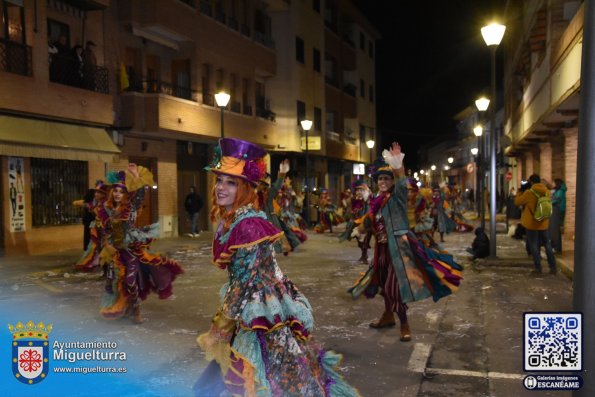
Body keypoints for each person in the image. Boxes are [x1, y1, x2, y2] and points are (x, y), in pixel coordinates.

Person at [195, 138, 358, 396]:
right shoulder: (232, 220)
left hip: (259, 313)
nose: (220, 188)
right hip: (253, 308)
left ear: (246, 189)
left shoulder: (247, 225)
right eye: (219, 180)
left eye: (231, 182)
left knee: (259, 378)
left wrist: (221, 327)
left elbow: (243, 284)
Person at [350, 142, 463, 342]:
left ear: (392, 181)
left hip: (399, 249)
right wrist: (359, 229)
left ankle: (404, 323)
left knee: (395, 287)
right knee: (383, 284)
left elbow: (402, 183)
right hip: (382, 250)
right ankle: (387, 316)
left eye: (387, 178)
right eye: (380, 178)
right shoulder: (377, 200)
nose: (383, 181)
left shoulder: (397, 197)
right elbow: (370, 220)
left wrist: (398, 166)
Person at [98, 164, 183, 323]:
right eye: (115, 191)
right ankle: (127, 306)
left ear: (125, 194)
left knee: (130, 280)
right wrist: (106, 244)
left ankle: (136, 307)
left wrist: (136, 176)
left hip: (131, 249)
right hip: (114, 251)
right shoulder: (106, 209)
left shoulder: (131, 207)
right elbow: (104, 230)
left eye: (121, 191)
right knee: (115, 282)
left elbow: (140, 195)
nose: (117, 194)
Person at [514, 173, 556, 274]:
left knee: (533, 244)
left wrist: (520, 191)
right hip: (543, 223)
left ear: (532, 182)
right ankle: (553, 267)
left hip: (532, 224)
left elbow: (517, 202)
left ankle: (538, 267)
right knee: (547, 244)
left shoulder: (529, 193)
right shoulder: (547, 192)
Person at [339, 179, 372, 263]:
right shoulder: (354, 199)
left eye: (361, 190)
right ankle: (363, 254)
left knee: (365, 240)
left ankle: (364, 256)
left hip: (366, 222)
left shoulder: (369, 199)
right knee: (359, 240)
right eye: (357, 190)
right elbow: (348, 206)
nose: (359, 192)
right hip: (356, 222)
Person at [549, 178, 567, 253]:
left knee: (555, 229)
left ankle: (556, 247)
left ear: (557, 183)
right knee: (556, 230)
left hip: (557, 211)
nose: (552, 184)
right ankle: (556, 247)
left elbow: (556, 200)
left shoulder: (560, 191)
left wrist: (549, 202)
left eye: (553, 182)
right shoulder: (558, 191)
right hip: (557, 211)